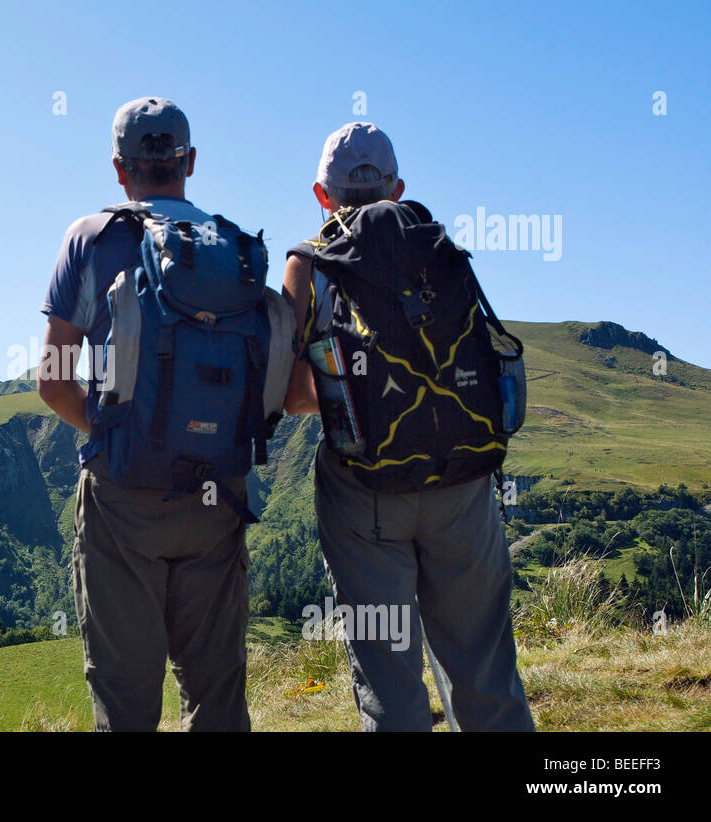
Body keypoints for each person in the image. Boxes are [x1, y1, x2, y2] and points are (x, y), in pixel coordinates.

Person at [282, 122, 536, 732]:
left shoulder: (309, 264)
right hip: (464, 482)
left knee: (388, 676)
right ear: (398, 188)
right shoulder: (441, 251)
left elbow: (290, 395)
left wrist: (363, 400)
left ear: (322, 195)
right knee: (485, 668)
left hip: (366, 492)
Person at [38, 97, 253, 731]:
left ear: (118, 168)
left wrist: (118, 431)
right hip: (219, 491)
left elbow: (53, 384)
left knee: (126, 698)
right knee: (217, 694)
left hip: (124, 495)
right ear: (189, 162)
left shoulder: (92, 238)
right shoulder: (232, 246)